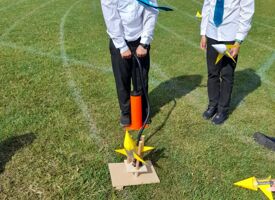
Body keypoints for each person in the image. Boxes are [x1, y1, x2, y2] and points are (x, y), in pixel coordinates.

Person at [101, 0, 158, 126]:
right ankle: (126, 112)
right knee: (122, 79)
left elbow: (151, 12)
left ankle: (142, 109)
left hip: (140, 38)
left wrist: (144, 43)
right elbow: (112, 19)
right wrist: (122, 46)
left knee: (141, 78)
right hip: (119, 40)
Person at [200, 0, 255, 124]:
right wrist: (203, 33)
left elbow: (247, 13)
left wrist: (238, 41)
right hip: (212, 33)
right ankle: (212, 105)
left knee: (226, 75)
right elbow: (207, 6)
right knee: (212, 73)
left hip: (230, 37)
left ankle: (222, 110)